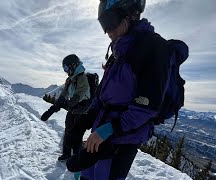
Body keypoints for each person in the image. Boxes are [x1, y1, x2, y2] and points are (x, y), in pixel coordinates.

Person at [66, 0, 174, 179]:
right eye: (103, 24)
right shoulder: (118, 51)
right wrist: (85, 121)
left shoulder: (154, 47)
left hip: (123, 139)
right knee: (85, 176)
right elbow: (102, 96)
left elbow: (147, 107)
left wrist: (110, 129)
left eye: (110, 21)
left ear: (130, 14)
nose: (107, 31)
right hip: (101, 133)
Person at [40, 54, 91, 161]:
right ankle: (66, 154)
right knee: (67, 132)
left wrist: (72, 102)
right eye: (64, 69)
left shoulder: (82, 77)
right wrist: (51, 110)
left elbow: (82, 90)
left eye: (66, 68)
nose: (66, 71)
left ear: (73, 65)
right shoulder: (70, 80)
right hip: (73, 110)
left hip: (82, 112)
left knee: (77, 136)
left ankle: (77, 159)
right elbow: (63, 95)